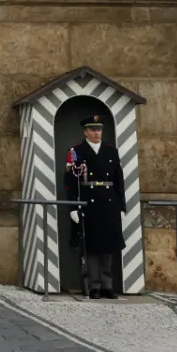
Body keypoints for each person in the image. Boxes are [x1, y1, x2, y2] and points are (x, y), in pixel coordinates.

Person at [64, 114, 126, 299]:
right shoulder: (76, 151)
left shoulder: (111, 151)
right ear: (85, 132)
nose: (97, 132)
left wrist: (121, 206)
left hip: (109, 203)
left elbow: (118, 181)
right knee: (91, 247)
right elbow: (70, 181)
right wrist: (73, 207)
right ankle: (94, 286)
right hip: (88, 203)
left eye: (99, 129)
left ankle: (108, 285)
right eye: (93, 129)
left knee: (108, 246)